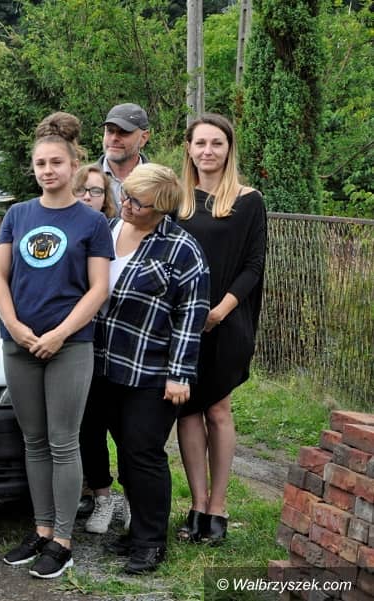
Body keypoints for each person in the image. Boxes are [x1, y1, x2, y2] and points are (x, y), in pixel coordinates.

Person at [0, 112, 113, 579]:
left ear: (74, 165)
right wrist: (14, 326)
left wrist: (60, 333)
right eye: (41, 163)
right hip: (19, 343)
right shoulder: (18, 215)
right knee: (34, 441)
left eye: (56, 162)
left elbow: (98, 288)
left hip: (69, 346)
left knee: (64, 442)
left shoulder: (92, 222)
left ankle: (63, 541)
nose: (48, 170)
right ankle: (41, 530)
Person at [94, 163, 209, 574]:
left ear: (161, 209)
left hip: (152, 370)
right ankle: (137, 530)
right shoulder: (109, 229)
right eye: (125, 196)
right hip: (104, 364)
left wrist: (179, 373)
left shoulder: (182, 249)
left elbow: (191, 314)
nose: (126, 205)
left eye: (137, 203)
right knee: (124, 451)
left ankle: (150, 542)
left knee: (143, 452)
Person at [175, 113, 267, 545]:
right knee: (187, 410)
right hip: (182, 323)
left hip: (227, 320)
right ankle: (196, 504)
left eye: (216, 143)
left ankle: (218, 506)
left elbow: (253, 265)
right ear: (189, 149)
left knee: (217, 409)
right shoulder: (177, 200)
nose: (208, 151)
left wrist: (219, 311)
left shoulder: (249, 201)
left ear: (229, 149)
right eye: (200, 143)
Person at [70, 164, 130, 536]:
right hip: (80, 344)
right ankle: (102, 496)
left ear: (106, 198)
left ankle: (133, 495)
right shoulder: (63, 231)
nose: (88, 197)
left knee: (126, 428)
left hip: (118, 345)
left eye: (96, 191)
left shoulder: (117, 231)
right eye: (82, 190)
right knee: (89, 426)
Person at [97, 103, 150, 212]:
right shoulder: (81, 182)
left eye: (124, 132)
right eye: (110, 131)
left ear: (143, 138)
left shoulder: (161, 185)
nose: (114, 138)